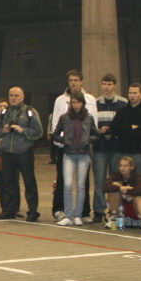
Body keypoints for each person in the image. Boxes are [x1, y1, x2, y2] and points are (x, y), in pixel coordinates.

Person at [49, 70, 97, 221]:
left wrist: (87, 140)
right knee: (63, 180)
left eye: (76, 80)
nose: (73, 83)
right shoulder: (59, 100)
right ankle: (59, 209)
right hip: (65, 147)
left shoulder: (90, 99)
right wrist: (62, 141)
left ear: (81, 81)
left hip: (83, 149)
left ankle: (83, 212)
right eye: (71, 80)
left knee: (83, 183)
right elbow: (56, 123)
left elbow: (93, 123)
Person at [0, 86, 42, 221]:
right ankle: (9, 210)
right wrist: (3, 130)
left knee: (29, 182)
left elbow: (38, 132)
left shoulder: (30, 112)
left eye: (16, 95)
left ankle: (32, 211)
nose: (13, 98)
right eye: (11, 95)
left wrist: (22, 130)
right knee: (9, 183)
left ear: (22, 97)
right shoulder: (4, 113)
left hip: (24, 152)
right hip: (7, 152)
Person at [92, 74, 127, 223]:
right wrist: (99, 131)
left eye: (110, 84)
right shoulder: (95, 103)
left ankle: (115, 211)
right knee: (99, 181)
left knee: (115, 181)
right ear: (101, 85)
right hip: (100, 147)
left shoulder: (123, 103)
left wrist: (113, 130)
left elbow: (125, 124)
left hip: (116, 147)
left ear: (115, 85)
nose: (107, 87)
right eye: (104, 84)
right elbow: (91, 125)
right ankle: (99, 211)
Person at [111, 83, 141, 188]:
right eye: (130, 93)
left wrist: (125, 128)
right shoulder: (121, 110)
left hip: (139, 151)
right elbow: (114, 129)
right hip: (122, 150)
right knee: (118, 181)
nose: (132, 95)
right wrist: (132, 127)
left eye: (135, 93)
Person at [104, 156, 141, 233]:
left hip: (136, 210)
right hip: (121, 211)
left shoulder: (138, 177)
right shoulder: (115, 176)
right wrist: (121, 188)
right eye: (121, 166)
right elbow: (105, 187)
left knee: (139, 197)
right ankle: (114, 218)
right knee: (113, 192)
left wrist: (126, 190)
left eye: (125, 166)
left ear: (132, 167)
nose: (122, 168)